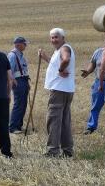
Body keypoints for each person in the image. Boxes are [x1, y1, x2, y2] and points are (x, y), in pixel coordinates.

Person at [38, 27, 75, 158]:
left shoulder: (64, 48)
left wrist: (60, 70)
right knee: (64, 120)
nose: (54, 39)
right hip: (66, 89)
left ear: (63, 38)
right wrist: (46, 58)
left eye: (56, 37)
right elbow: (57, 63)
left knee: (53, 120)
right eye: (52, 37)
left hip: (59, 90)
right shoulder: (59, 50)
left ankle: (53, 151)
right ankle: (67, 151)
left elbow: (66, 59)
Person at [8, 36, 30, 134]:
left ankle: (19, 126)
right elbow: (9, 70)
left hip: (24, 80)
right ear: (18, 45)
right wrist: (13, 81)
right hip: (18, 81)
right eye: (24, 44)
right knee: (18, 104)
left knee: (23, 104)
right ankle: (13, 127)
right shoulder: (12, 55)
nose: (25, 45)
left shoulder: (21, 55)